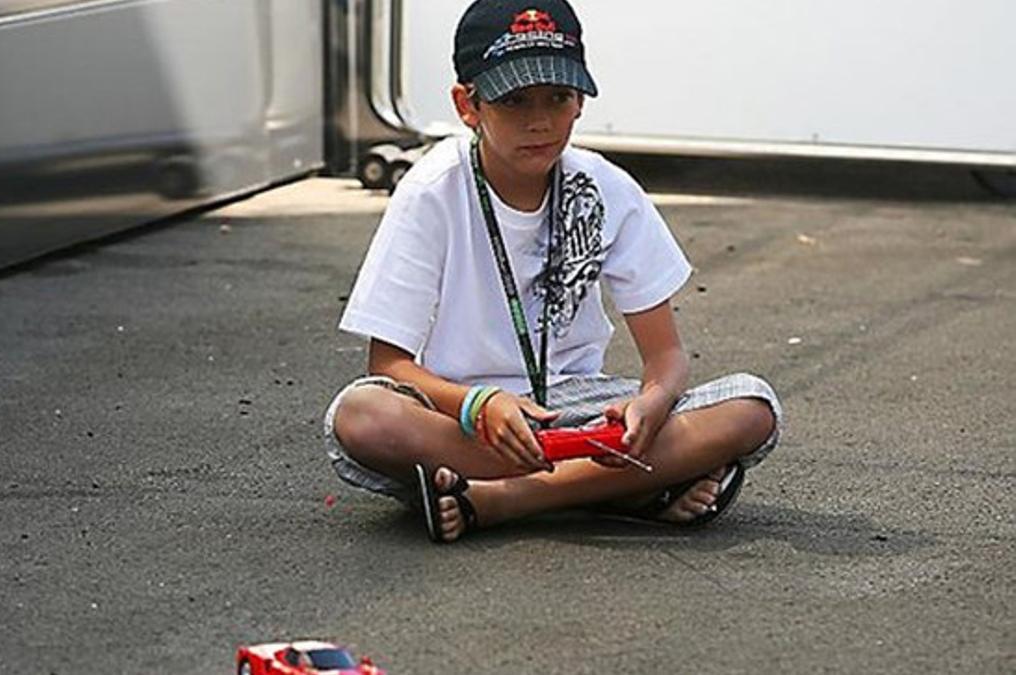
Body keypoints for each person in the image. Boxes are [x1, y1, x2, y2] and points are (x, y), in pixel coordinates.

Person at [323, 0, 782, 543]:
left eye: (558, 98)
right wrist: (479, 403)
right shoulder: (431, 192)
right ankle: (621, 489)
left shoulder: (606, 187)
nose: (539, 121)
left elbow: (667, 359)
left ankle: (502, 499)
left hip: (579, 405)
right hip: (465, 415)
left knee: (752, 407)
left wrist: (650, 406)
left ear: (581, 102)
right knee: (361, 414)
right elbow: (390, 363)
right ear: (467, 105)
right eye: (514, 100)